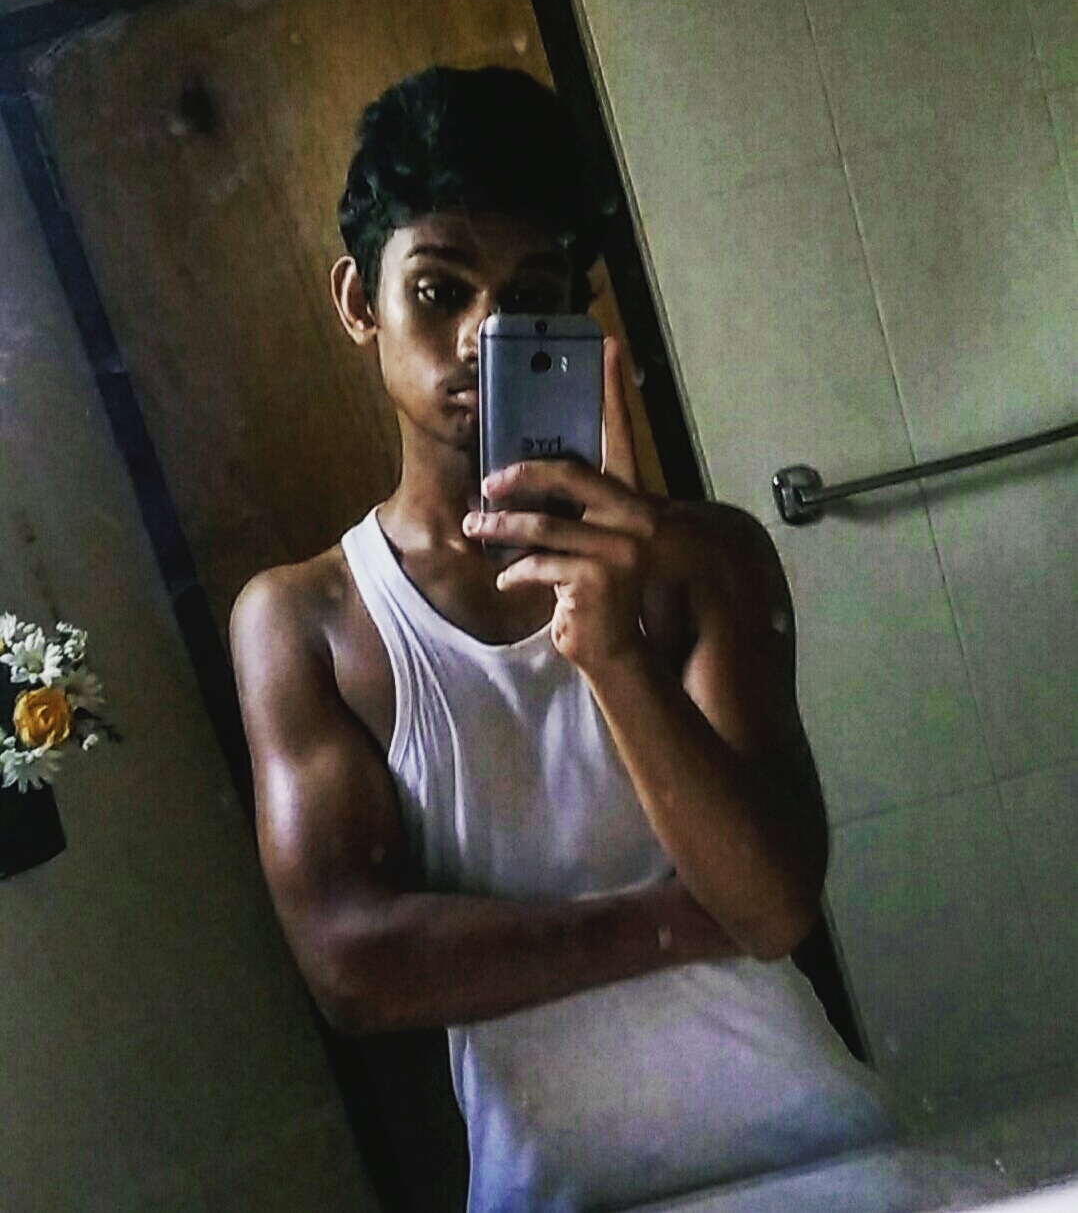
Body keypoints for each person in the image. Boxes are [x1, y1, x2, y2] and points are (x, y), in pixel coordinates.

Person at [229, 65, 898, 1212]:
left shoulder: (703, 558)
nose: (483, 333)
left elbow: (772, 905)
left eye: (530, 294)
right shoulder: (309, 622)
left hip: (815, 1155)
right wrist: (673, 923)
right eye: (437, 290)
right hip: (554, 1191)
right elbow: (353, 968)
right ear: (357, 301)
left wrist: (615, 654)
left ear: (576, 318)